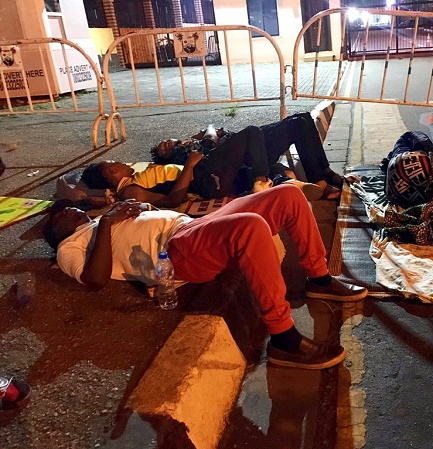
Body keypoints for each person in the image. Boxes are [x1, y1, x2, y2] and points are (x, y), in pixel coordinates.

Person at [43, 184, 369, 369]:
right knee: (251, 228)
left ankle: (320, 278)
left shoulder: (101, 221)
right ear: (58, 231)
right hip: (173, 253)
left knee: (288, 195)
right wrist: (110, 222)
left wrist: (138, 210)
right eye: (62, 213)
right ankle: (284, 339)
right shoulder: (69, 247)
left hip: (188, 226)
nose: (69, 209)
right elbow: (95, 279)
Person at [151, 113, 344, 200]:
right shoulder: (181, 157)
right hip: (238, 162)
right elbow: (211, 138)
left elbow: (217, 131)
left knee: (301, 121)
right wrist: (209, 132)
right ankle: (260, 181)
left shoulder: (188, 140)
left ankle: (324, 172)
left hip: (248, 147)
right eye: (163, 150)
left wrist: (210, 133)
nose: (166, 145)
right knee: (252, 131)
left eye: (166, 141)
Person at [82, 125, 275, 208]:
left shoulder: (131, 183)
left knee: (262, 161)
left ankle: (269, 181)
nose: (121, 162)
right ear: (112, 171)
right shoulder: (130, 192)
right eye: (115, 163)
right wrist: (190, 164)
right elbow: (173, 200)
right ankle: (260, 182)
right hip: (200, 177)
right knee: (251, 133)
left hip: (202, 176)